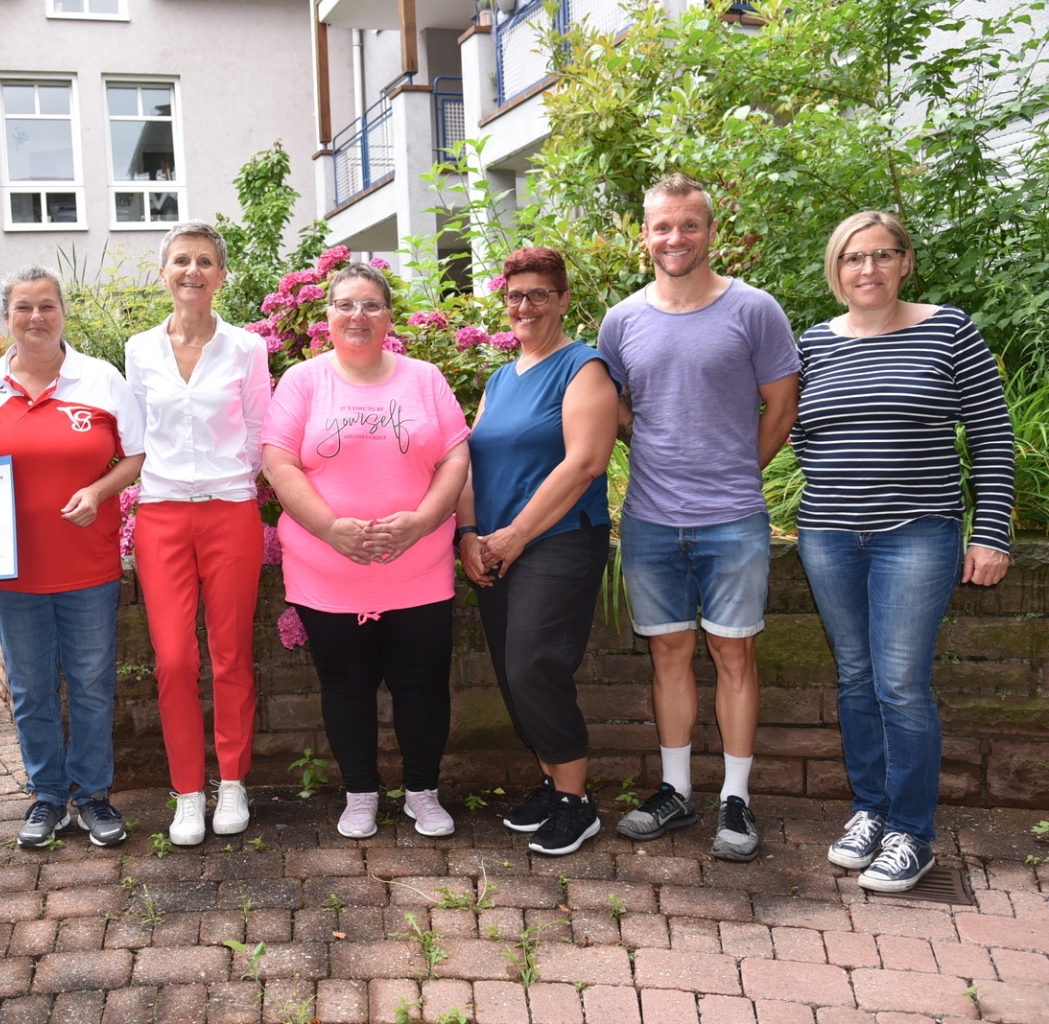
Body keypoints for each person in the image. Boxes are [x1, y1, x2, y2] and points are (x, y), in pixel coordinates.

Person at [792, 211, 1014, 892]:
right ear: (836, 269)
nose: (868, 269)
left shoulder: (946, 329)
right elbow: (794, 431)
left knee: (899, 684)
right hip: (827, 533)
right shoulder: (811, 343)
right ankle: (870, 811)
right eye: (853, 258)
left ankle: (912, 834)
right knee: (855, 678)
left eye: (882, 255)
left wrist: (991, 530)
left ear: (905, 262)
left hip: (916, 534)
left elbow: (991, 433)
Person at [598, 173, 800, 861]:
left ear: (709, 231)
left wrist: (740, 469)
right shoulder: (622, 319)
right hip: (650, 519)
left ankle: (735, 801)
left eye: (687, 225)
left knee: (734, 654)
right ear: (644, 235)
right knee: (668, 654)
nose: (674, 237)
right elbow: (614, 408)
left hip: (732, 518)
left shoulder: (753, 310)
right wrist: (648, 440)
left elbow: (782, 405)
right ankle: (676, 792)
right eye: (661, 226)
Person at [262, 261, 471, 840]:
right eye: (346, 304)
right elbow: (278, 461)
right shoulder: (303, 381)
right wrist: (331, 528)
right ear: (327, 315)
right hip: (328, 571)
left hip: (419, 569)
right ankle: (359, 795)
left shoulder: (424, 378)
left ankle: (423, 794)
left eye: (371, 305)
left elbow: (456, 457)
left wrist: (425, 522)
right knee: (345, 685)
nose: (358, 316)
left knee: (423, 685)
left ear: (389, 317)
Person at [0, 265, 145, 849]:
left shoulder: (102, 380)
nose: (36, 318)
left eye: (47, 306)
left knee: (90, 684)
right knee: (32, 688)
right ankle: (48, 797)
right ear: (6, 317)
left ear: (64, 312)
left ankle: (93, 796)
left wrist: (98, 491)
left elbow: (136, 456)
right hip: (13, 572)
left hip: (88, 565)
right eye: (23, 308)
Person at [455, 247, 617, 856]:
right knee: (509, 671)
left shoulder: (584, 368)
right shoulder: (501, 377)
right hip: (494, 546)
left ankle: (577, 801)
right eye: (515, 295)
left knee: (533, 667)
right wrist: (468, 536)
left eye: (539, 294)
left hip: (558, 541)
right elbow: (469, 460)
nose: (525, 306)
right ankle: (552, 785)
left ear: (563, 300)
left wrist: (514, 536)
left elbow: (585, 463)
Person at [125, 222, 269, 846]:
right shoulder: (138, 349)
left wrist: (229, 483)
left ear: (221, 274)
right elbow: (133, 437)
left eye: (204, 261)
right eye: (180, 260)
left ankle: (232, 782)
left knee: (232, 655)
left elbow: (260, 436)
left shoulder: (247, 349)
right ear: (164, 273)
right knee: (176, 659)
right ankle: (188, 791)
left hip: (230, 511)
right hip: (160, 515)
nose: (192, 271)